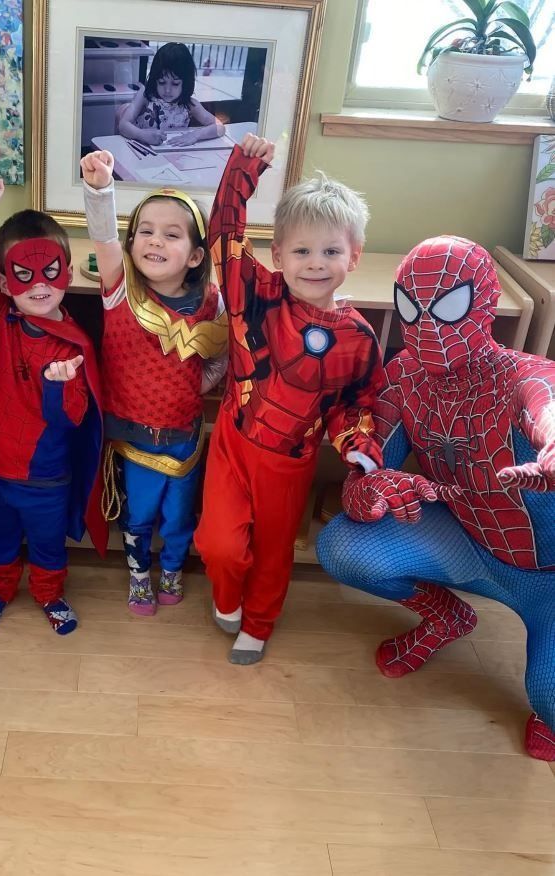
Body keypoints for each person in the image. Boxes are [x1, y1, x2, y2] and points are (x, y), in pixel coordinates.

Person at [317, 235, 555, 762]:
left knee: (552, 698)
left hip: (551, 578)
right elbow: (361, 481)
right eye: (410, 306)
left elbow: (546, 403)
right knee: (343, 547)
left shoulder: (524, 377)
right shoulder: (403, 377)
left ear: (485, 304)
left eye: (448, 308)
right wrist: (372, 489)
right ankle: (447, 618)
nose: (426, 327)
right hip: (466, 539)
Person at [195, 133, 384, 664]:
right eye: (301, 250)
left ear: (354, 256)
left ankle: (258, 623)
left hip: (291, 461)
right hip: (233, 440)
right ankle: (227, 596)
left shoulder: (358, 339)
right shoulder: (254, 292)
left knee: (274, 553)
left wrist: (357, 444)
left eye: (331, 251)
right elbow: (224, 234)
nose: (315, 263)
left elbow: (357, 402)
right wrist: (244, 169)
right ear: (278, 254)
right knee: (217, 543)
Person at [0, 179, 106, 635]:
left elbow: (70, 420)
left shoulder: (75, 343)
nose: (38, 285)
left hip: (47, 478)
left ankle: (49, 594)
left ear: (68, 273)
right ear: (4, 280)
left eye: (50, 272)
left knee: (48, 544)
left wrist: (59, 386)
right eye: (23, 274)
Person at [81, 149, 228, 615]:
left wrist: (199, 386)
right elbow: (103, 238)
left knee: (180, 516)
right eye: (145, 231)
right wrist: (101, 189)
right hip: (135, 435)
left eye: (171, 234)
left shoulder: (210, 301)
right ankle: (139, 576)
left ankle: (172, 569)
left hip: (185, 436)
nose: (154, 241)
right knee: (140, 514)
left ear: (196, 254)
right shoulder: (121, 289)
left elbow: (222, 353)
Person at [118, 42, 224, 147]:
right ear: (155, 79)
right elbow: (123, 125)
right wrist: (141, 134)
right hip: (142, 151)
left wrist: (195, 135)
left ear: (186, 82)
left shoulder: (188, 104)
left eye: (175, 84)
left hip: (173, 154)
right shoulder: (146, 95)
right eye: (162, 82)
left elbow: (220, 127)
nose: (167, 90)